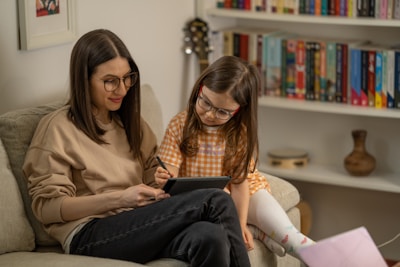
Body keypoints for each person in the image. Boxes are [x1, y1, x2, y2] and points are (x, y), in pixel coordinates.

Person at [23, 29, 251, 267]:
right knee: (215, 199)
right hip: (89, 234)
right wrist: (120, 199)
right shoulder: (58, 127)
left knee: (210, 237)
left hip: (137, 225)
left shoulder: (129, 123)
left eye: (127, 78)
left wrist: (162, 179)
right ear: (84, 79)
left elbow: (152, 173)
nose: (122, 90)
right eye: (110, 81)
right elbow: (47, 209)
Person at [156, 55, 315, 259]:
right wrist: (164, 177)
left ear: (239, 110)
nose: (210, 114)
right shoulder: (180, 124)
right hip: (207, 198)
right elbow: (171, 172)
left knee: (290, 236)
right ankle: (258, 232)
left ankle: (323, 256)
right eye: (205, 102)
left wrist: (239, 226)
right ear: (199, 89)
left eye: (222, 112)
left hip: (245, 190)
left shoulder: (239, 132)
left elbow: (240, 186)